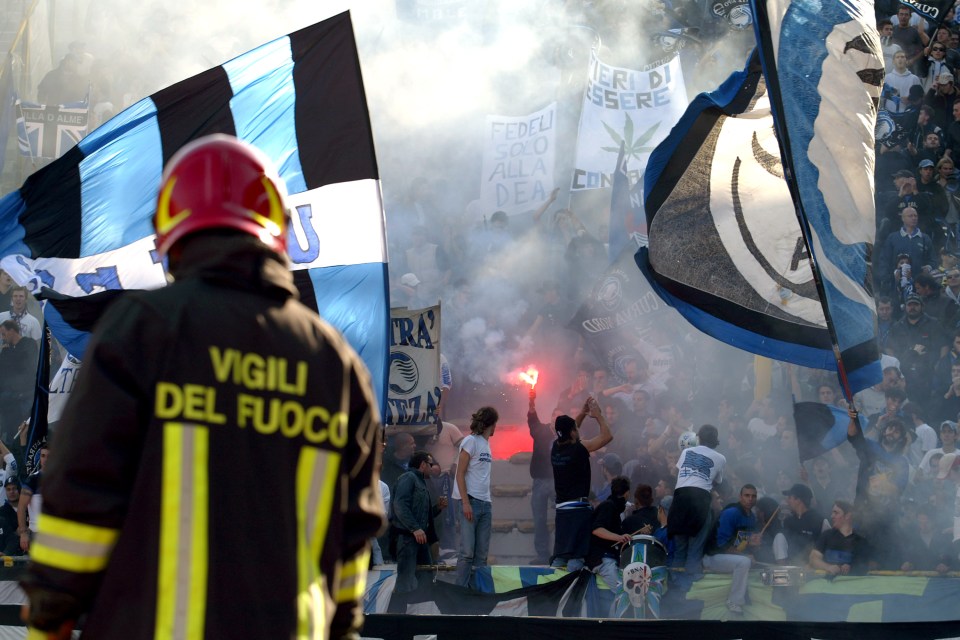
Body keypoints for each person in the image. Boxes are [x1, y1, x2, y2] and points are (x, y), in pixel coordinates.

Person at [19, 135, 385, 640]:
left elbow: (81, 496)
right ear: (278, 229)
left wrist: (48, 620)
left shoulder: (139, 332)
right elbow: (352, 539)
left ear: (168, 234)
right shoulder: (335, 364)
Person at [551, 396, 613, 571]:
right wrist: (598, 415)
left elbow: (571, 429)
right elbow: (607, 436)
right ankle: (574, 593)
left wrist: (582, 413)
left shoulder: (556, 447)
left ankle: (553, 593)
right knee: (576, 558)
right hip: (578, 510)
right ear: (572, 433)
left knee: (560, 557)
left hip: (562, 510)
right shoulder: (579, 449)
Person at [667, 424, 727, 589]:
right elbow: (718, 481)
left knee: (680, 547)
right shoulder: (720, 458)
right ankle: (689, 591)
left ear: (698, 438)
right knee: (695, 548)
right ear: (715, 441)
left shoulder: (686, 452)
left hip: (680, 499)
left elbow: (677, 472)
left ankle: (675, 589)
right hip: (700, 500)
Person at [390, 451, 446, 606]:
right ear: (422, 465)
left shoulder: (420, 482)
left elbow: (422, 515)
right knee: (405, 580)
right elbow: (399, 505)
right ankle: (397, 616)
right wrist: (415, 528)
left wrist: (437, 508)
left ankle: (419, 611)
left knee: (426, 576)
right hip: (408, 539)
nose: (432, 467)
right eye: (430, 464)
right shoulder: (408, 478)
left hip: (419, 539)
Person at [452, 406, 497, 588]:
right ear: (491, 424)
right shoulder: (470, 441)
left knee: (481, 555)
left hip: (485, 503)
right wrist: (465, 502)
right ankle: (460, 591)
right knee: (467, 552)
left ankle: (476, 591)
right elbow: (460, 473)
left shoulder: (486, 444)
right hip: (470, 501)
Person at [703, 484, 760, 615]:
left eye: (753, 496)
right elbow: (722, 544)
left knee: (748, 560)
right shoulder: (731, 513)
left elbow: (740, 542)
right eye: (747, 495)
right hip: (713, 556)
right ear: (740, 497)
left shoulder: (751, 516)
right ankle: (734, 601)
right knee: (744, 562)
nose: (750, 499)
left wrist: (753, 543)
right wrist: (746, 556)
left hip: (728, 556)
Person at [586, 475, 632, 609]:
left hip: (608, 559)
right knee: (624, 593)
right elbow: (597, 529)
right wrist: (619, 537)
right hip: (603, 560)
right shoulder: (608, 507)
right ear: (627, 493)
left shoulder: (611, 507)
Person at [527, 389, 556, 565]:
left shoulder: (566, 435)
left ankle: (560, 553)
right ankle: (542, 554)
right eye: (554, 415)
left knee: (562, 517)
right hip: (539, 480)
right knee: (539, 519)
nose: (555, 419)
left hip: (558, 482)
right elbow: (532, 420)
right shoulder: (541, 430)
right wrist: (531, 404)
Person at [809, 500, 871, 576]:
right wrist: (828, 567)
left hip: (852, 584)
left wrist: (852, 567)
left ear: (847, 516)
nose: (832, 516)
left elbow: (866, 565)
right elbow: (813, 558)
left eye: (836, 513)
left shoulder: (860, 541)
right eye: (832, 513)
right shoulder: (826, 535)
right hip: (827, 583)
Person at [776, 483, 824, 565]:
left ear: (798, 500)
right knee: (779, 536)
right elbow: (785, 543)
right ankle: (783, 568)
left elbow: (826, 544)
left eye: (790, 497)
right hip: (793, 564)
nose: (787, 501)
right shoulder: (788, 521)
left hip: (813, 565)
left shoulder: (818, 519)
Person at [0, 476, 22, 556]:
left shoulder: (29, 509)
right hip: (9, 558)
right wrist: (15, 533)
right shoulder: (2, 512)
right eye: (8, 489)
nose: (11, 492)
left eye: (14, 488)